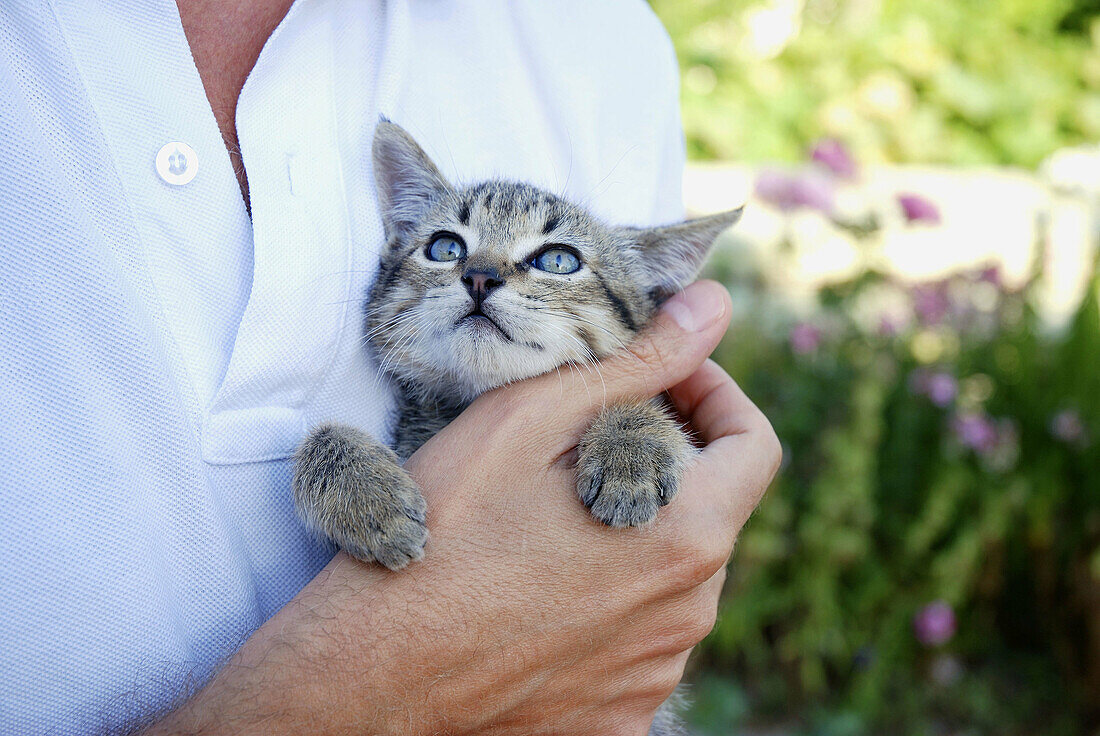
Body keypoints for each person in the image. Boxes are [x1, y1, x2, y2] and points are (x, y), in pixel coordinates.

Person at [0, 1, 781, 733]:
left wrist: (638, 426)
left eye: (553, 259)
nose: (484, 276)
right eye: (445, 248)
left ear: (646, 299)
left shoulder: (599, 36)